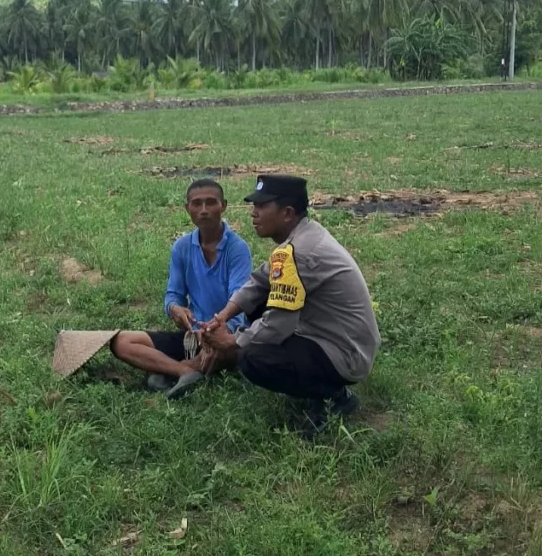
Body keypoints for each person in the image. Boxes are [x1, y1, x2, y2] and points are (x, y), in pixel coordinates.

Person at [199, 174, 380, 437]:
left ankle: (332, 398)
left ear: (287, 213)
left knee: (252, 358)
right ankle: (324, 387)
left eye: (261, 207)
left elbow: (278, 324)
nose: (253, 214)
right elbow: (260, 282)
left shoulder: (300, 252)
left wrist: (233, 342)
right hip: (336, 338)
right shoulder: (302, 236)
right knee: (259, 304)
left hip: (347, 354)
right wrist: (224, 315)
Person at [110, 179, 253, 399]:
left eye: (210, 203)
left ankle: (168, 368)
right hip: (191, 336)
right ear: (187, 209)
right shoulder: (182, 247)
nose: (203, 210)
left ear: (223, 206)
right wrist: (176, 309)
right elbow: (173, 295)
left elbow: (240, 302)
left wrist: (217, 334)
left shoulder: (237, 249)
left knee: (227, 352)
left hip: (225, 336)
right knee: (121, 341)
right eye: (196, 204)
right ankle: (184, 370)